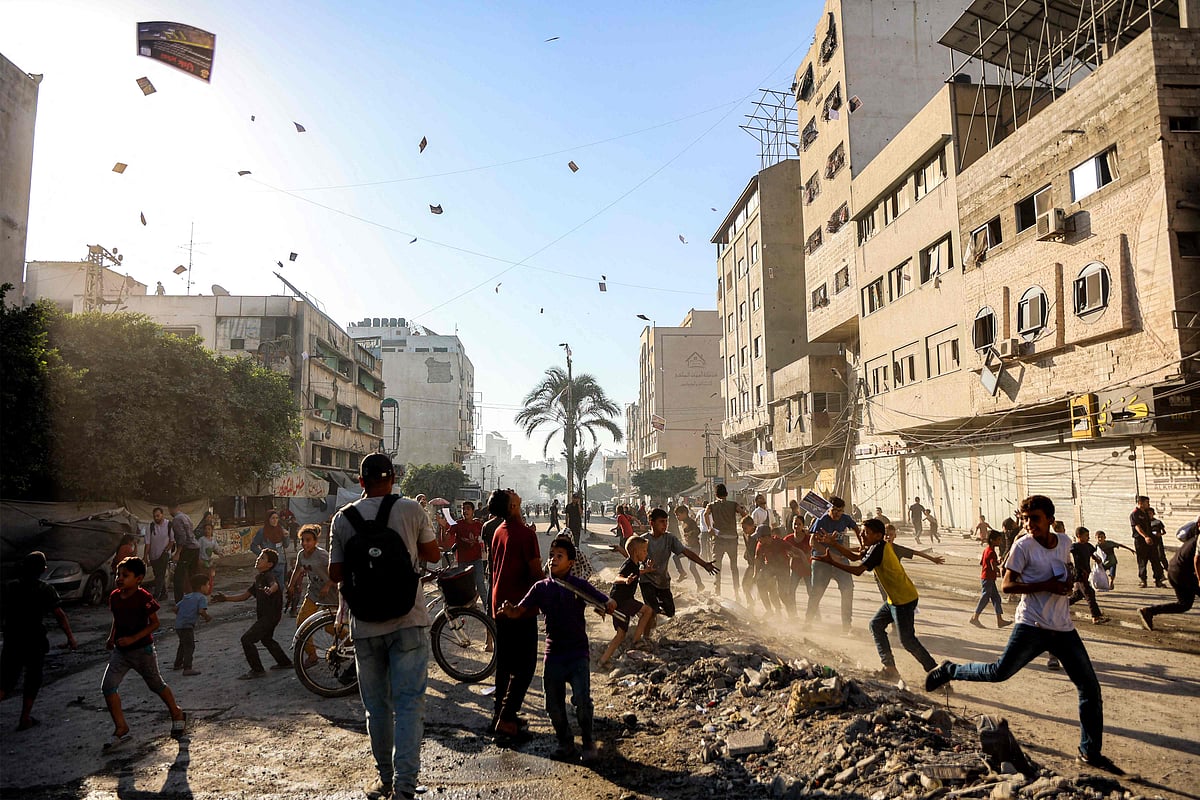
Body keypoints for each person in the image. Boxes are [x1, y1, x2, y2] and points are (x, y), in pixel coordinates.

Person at [925, 495, 1119, 774]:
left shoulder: (1063, 542)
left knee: (1089, 688)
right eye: (1025, 519)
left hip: (1063, 627)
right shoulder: (1022, 546)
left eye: (1035, 519)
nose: (1029, 524)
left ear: (1050, 520)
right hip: (1032, 625)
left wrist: (1066, 581)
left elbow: (1064, 569)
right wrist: (1045, 585)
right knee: (998, 672)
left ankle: (1089, 752)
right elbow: (1007, 585)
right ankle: (950, 670)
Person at [329, 454, 439, 800]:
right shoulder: (410, 509)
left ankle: (385, 780)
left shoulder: (342, 519)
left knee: (377, 708)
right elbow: (433, 554)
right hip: (408, 620)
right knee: (409, 705)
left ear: (360, 482)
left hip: (364, 625)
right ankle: (406, 786)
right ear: (392, 478)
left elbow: (335, 573)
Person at [497, 536, 615, 762]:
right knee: (552, 704)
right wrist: (510, 611)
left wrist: (609, 604)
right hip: (553, 654)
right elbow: (520, 611)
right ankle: (566, 743)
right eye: (551, 556)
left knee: (582, 701)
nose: (553, 560)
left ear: (571, 562)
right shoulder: (541, 588)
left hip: (578, 653)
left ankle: (588, 741)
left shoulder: (579, 586)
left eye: (559, 556)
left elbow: (606, 601)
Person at [817, 518, 939, 680]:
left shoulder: (878, 549)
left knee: (908, 641)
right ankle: (890, 668)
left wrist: (832, 562)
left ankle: (937, 673)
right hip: (895, 599)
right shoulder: (875, 546)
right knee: (875, 625)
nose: (861, 534)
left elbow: (858, 570)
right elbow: (854, 557)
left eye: (865, 532)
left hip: (903, 600)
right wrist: (834, 545)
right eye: (861, 531)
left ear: (878, 535)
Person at [101, 556, 187, 751]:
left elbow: (155, 623)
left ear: (138, 578)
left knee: (156, 685)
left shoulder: (144, 597)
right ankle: (121, 726)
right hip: (120, 652)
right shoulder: (115, 596)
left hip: (142, 652)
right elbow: (117, 618)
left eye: (125, 575)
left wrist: (133, 639)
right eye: (118, 574)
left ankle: (176, 712)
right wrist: (111, 636)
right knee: (108, 687)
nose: (120, 578)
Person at [489, 487, 543, 745]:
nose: (513, 491)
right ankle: (508, 718)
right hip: (519, 606)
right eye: (510, 494)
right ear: (512, 507)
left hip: (500, 603)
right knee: (526, 665)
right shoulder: (525, 534)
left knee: (505, 664)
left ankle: (499, 715)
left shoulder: (499, 531)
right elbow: (535, 574)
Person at [1, 552, 77, 731]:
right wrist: (70, 638)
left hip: (12, 638)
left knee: (5, 681)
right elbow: (59, 615)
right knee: (32, 680)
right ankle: (25, 718)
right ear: (43, 570)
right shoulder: (45, 589)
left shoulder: (10, 587)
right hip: (34, 640)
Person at [213, 549, 292, 679]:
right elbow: (245, 596)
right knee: (266, 639)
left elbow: (275, 585)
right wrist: (226, 598)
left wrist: (270, 590)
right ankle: (284, 662)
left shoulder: (268, 576)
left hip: (269, 617)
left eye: (262, 558)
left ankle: (257, 670)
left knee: (247, 640)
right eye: (259, 556)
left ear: (269, 564)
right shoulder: (259, 578)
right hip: (268, 617)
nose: (258, 559)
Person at [640, 508, 717, 627]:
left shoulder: (669, 538)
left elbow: (686, 552)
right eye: (661, 521)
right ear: (652, 523)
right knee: (652, 609)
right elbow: (632, 557)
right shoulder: (644, 540)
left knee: (670, 612)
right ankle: (646, 633)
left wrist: (704, 564)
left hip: (662, 581)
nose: (664, 525)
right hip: (647, 581)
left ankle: (647, 616)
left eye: (666, 521)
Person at [599, 535, 655, 668]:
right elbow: (618, 577)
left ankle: (603, 660)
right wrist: (626, 580)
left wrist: (646, 570)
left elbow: (636, 573)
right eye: (644, 551)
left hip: (618, 603)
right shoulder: (629, 564)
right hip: (623, 601)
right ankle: (636, 641)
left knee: (621, 634)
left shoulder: (634, 564)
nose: (646, 553)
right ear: (636, 552)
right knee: (648, 611)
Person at [806, 497, 860, 633]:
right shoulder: (821, 520)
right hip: (822, 560)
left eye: (840, 511)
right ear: (829, 509)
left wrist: (862, 543)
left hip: (840, 560)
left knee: (848, 589)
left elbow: (856, 528)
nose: (837, 514)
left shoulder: (845, 519)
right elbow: (812, 542)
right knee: (816, 593)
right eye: (834, 510)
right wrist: (829, 553)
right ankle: (808, 622)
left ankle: (847, 626)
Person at [1138, 514, 1199, 631]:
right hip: (1182, 574)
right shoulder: (1198, 541)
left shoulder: (1194, 539)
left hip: (1175, 571)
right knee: (1184, 604)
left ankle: (1148, 611)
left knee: (1184, 605)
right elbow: (1197, 560)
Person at [288, 524, 335, 668]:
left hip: (331, 594)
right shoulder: (301, 554)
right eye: (303, 540)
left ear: (315, 541)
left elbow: (337, 572)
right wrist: (291, 586)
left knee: (330, 627)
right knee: (302, 622)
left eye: (308, 540)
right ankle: (312, 655)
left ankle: (349, 643)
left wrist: (327, 585)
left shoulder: (322, 555)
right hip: (314, 592)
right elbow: (297, 570)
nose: (305, 543)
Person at [447, 501, 488, 613]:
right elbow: (448, 536)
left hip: (477, 560)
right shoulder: (457, 524)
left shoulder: (478, 525)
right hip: (463, 562)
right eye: (463, 509)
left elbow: (486, 537)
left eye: (468, 509)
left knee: (481, 586)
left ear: (473, 511)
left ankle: (488, 612)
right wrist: (443, 524)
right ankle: (465, 612)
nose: (465, 511)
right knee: (465, 588)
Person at [704, 484, 743, 599]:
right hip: (732, 539)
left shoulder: (712, 505)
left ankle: (717, 591)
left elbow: (706, 514)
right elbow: (743, 513)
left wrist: (709, 527)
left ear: (715, 494)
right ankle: (736, 592)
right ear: (726, 493)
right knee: (734, 567)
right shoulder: (733, 505)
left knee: (717, 566)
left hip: (718, 540)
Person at [969, 530, 1012, 629]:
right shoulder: (992, 552)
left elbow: (982, 563)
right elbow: (993, 567)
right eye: (998, 540)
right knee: (985, 597)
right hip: (988, 579)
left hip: (987, 578)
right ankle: (975, 617)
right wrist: (1000, 571)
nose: (1000, 541)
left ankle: (999, 620)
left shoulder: (986, 550)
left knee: (996, 598)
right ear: (992, 540)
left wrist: (996, 563)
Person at [1068, 527, 1109, 624]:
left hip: (1087, 572)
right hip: (1080, 574)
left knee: (1078, 595)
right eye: (1086, 535)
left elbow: (1092, 553)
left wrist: (1096, 559)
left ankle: (1059, 607)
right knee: (1089, 594)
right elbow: (1065, 553)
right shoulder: (1075, 547)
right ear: (1079, 536)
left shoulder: (1088, 546)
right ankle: (1096, 617)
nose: (1088, 537)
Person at [173, 574, 211, 675]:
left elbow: (175, 609)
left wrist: (182, 615)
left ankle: (177, 664)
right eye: (207, 585)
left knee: (182, 644)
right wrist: (207, 617)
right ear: (202, 587)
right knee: (190, 646)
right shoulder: (201, 598)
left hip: (179, 624)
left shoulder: (187, 596)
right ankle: (187, 668)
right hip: (187, 625)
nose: (209, 587)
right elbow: (201, 611)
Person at [1130, 496, 1166, 588]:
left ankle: (1158, 580)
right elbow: (1137, 527)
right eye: (1147, 502)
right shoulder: (1135, 514)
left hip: (1150, 540)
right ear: (1140, 503)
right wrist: (1145, 536)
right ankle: (1143, 580)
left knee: (1155, 560)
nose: (1148, 504)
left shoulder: (1146, 513)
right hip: (1141, 541)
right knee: (1142, 561)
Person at [169, 503, 200, 604]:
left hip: (188, 548)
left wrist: (178, 553)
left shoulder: (177, 520)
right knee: (193, 575)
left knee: (179, 576)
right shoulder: (186, 516)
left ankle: (179, 601)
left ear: (171, 509)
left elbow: (182, 537)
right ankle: (195, 598)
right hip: (195, 547)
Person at [253, 510, 289, 591]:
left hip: (280, 563)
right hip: (268, 565)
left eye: (276, 518)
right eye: (272, 518)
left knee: (281, 587)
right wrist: (263, 555)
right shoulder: (262, 532)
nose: (275, 520)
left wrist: (286, 536)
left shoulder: (280, 530)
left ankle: (279, 603)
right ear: (268, 519)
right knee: (269, 587)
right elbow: (253, 546)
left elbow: (286, 545)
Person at [672, 505, 706, 591]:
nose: (677, 517)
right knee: (675, 557)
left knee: (692, 567)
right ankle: (682, 573)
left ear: (684, 513)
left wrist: (690, 533)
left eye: (678, 515)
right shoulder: (683, 522)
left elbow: (697, 531)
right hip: (687, 547)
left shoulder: (691, 522)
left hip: (694, 547)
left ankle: (700, 584)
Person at [143, 507, 174, 600]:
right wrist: (145, 556)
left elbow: (172, 541)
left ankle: (156, 594)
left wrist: (166, 551)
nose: (156, 518)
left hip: (164, 554)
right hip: (153, 555)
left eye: (158, 515)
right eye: (154, 516)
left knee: (160, 574)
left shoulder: (169, 525)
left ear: (162, 515)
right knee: (158, 575)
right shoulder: (150, 527)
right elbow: (147, 543)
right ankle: (164, 593)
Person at [197, 522, 220, 598]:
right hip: (202, 561)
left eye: (209, 529)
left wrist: (219, 554)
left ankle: (208, 592)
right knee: (202, 577)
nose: (207, 531)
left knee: (210, 578)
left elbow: (215, 549)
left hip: (210, 562)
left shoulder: (213, 540)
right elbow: (198, 550)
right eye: (206, 529)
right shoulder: (201, 540)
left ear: (212, 530)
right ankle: (201, 592)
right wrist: (199, 560)